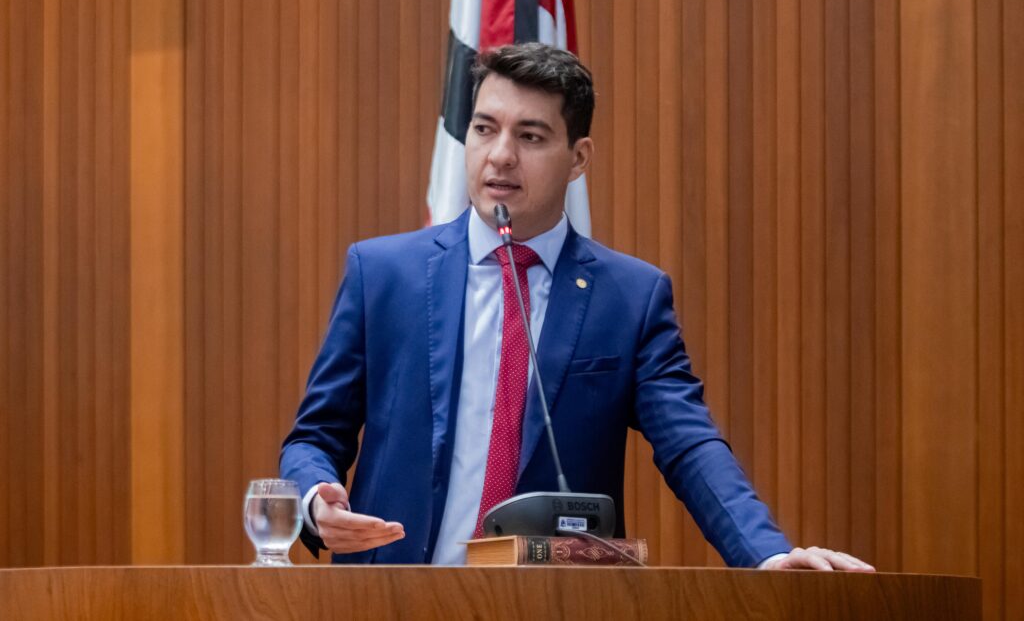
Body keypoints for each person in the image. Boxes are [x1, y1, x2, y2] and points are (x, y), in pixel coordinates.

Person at [280, 42, 873, 572]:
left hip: (555, 605)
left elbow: (689, 443)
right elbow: (314, 436)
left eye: (531, 137)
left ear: (579, 157)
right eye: (485, 129)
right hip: (393, 600)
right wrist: (315, 499)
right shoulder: (384, 274)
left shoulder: (630, 298)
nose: (500, 155)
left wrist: (766, 553)